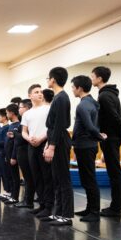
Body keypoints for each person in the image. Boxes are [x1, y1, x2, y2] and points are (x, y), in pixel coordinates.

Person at [91, 66, 121, 218]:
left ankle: (116, 208)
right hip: (114, 137)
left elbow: (116, 117)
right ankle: (116, 206)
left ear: (99, 78)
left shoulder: (104, 96)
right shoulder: (110, 94)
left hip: (111, 138)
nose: (91, 79)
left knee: (114, 173)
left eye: (92, 76)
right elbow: (120, 116)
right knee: (114, 172)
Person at [71, 75, 106, 222]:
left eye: (73, 87)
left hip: (85, 146)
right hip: (88, 145)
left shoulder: (83, 105)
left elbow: (89, 126)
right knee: (87, 179)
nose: (72, 90)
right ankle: (90, 208)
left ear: (79, 88)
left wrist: (100, 137)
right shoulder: (92, 102)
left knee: (89, 179)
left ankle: (94, 211)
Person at [43, 67, 74, 226]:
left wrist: (52, 146)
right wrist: (48, 143)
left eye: (48, 78)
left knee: (63, 178)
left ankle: (66, 216)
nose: (47, 81)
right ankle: (59, 212)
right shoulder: (58, 97)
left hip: (60, 141)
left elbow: (59, 124)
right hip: (55, 139)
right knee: (56, 178)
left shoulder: (62, 98)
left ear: (53, 79)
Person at [22, 84, 53, 218]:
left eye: (41, 92)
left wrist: (40, 139)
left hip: (44, 144)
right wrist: (29, 139)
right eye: (36, 92)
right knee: (36, 176)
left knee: (47, 176)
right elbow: (24, 131)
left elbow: (51, 128)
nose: (40, 94)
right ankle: (42, 204)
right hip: (31, 145)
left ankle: (49, 206)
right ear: (30, 96)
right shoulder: (27, 113)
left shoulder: (48, 109)